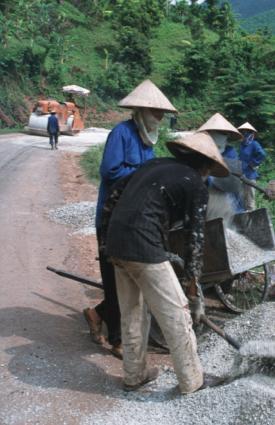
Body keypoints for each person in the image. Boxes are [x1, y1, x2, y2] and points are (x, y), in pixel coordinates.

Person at [102, 131, 229, 394]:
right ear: (205, 165)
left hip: (117, 242)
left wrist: (106, 240)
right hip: (144, 245)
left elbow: (113, 194)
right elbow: (195, 240)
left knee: (132, 314)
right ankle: (193, 381)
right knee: (177, 315)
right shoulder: (195, 184)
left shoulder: (155, 164)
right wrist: (192, 289)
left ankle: (134, 376)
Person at [83, 79, 177, 359]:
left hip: (133, 218)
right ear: (142, 110)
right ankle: (118, 340)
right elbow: (110, 171)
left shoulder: (148, 140)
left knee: (130, 278)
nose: (159, 118)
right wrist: (143, 173)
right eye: (156, 113)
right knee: (114, 278)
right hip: (111, 217)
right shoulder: (122, 133)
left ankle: (96, 313)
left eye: (162, 114)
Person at [196, 112, 244, 222]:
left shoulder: (230, 152)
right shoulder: (199, 150)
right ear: (210, 133)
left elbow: (232, 183)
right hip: (203, 197)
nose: (223, 135)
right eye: (220, 132)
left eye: (225, 133)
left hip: (225, 197)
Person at [238, 122, 266, 211]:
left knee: (250, 200)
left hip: (250, 175)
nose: (244, 133)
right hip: (241, 174)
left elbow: (262, 154)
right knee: (241, 199)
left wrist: (254, 163)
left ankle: (252, 220)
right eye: (242, 132)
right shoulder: (242, 145)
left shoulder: (254, 144)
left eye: (245, 132)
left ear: (250, 133)